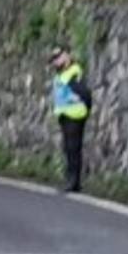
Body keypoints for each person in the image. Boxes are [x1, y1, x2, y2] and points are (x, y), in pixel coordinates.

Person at [49, 45, 92, 193]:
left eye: (58, 57)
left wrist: (87, 108)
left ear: (67, 55)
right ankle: (71, 179)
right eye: (54, 59)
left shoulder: (74, 72)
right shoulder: (61, 74)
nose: (56, 61)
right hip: (64, 115)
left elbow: (85, 93)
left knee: (73, 148)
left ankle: (74, 181)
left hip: (75, 114)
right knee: (68, 148)